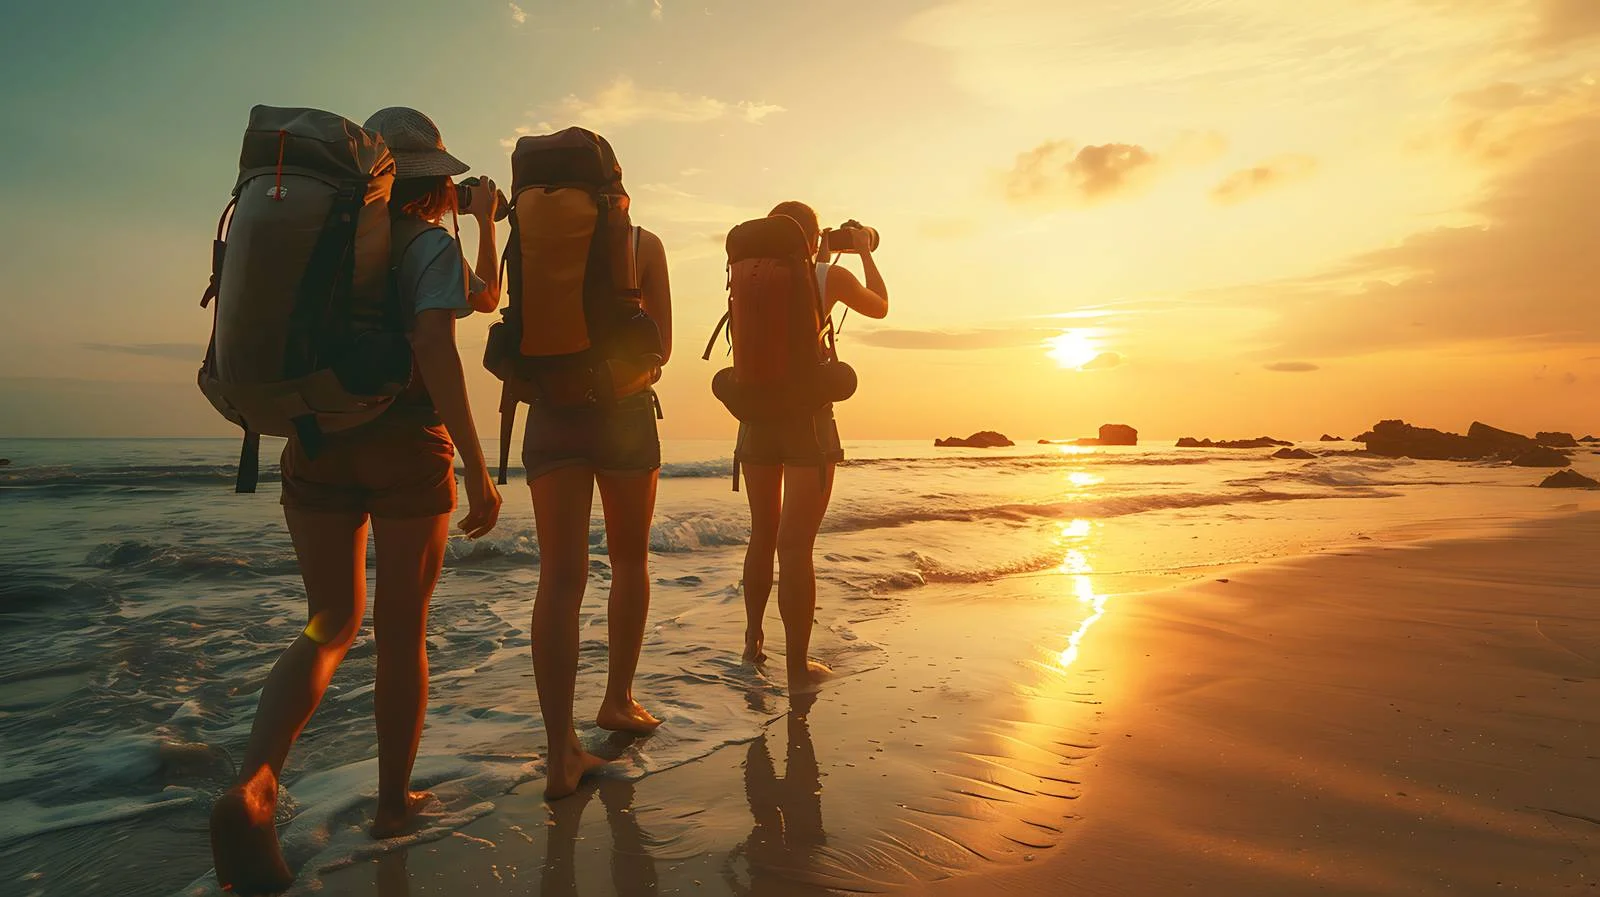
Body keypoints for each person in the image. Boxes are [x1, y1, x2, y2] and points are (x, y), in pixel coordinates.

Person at [208, 106, 503, 895]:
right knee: (403, 627)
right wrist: (478, 465)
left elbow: (485, 293)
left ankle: (255, 783)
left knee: (329, 621)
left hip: (317, 440)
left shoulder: (332, 247)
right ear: (437, 185)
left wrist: (484, 231)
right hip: (408, 450)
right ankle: (391, 805)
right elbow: (440, 340)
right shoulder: (428, 244)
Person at [523, 179, 674, 800]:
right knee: (629, 560)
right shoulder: (642, 242)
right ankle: (617, 700)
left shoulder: (531, 241)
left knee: (559, 578)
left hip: (551, 411)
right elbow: (658, 345)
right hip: (624, 413)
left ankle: (561, 750)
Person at [739, 201, 888, 692]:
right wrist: (864, 252)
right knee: (796, 548)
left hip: (755, 418)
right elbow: (881, 305)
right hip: (806, 421)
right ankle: (798, 667)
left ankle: (752, 641)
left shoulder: (747, 275)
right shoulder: (828, 277)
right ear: (810, 238)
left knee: (763, 536)